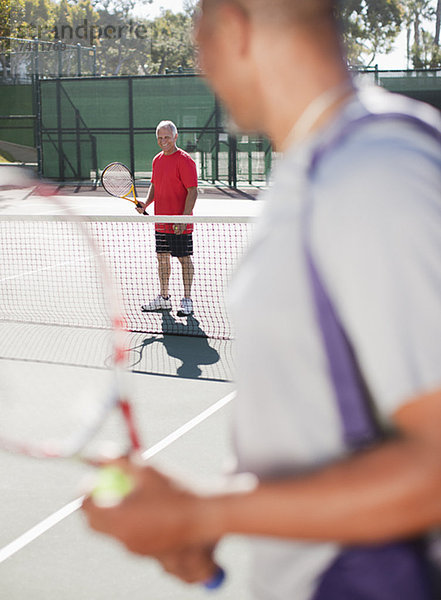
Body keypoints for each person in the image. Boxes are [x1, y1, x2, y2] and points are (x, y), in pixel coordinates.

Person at [83, 1, 441, 598]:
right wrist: (209, 515)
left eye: (200, 44)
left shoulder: (375, 175)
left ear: (235, 29)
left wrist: (204, 513)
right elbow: (308, 424)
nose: (202, 69)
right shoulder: (308, 178)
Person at [138, 120, 198, 317]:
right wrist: (146, 204)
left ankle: (187, 300)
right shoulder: (157, 160)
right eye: (160, 138)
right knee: (162, 259)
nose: (163, 141)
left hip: (180, 222)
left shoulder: (185, 160)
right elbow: (155, 186)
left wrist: (183, 219)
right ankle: (164, 298)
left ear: (175, 137)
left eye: (167, 137)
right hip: (161, 221)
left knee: (184, 259)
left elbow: (193, 191)